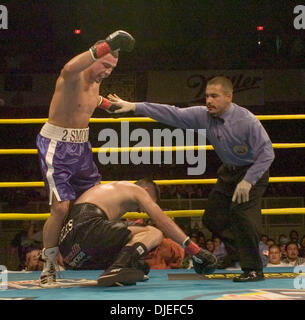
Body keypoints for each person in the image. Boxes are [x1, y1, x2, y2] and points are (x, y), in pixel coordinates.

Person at [108, 76, 275, 282]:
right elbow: (171, 113)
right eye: (206, 96)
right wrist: (134, 106)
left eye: (214, 96)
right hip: (229, 172)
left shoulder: (246, 121)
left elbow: (267, 153)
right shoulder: (204, 116)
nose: (208, 101)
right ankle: (236, 254)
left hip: (253, 172)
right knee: (212, 218)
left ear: (229, 97)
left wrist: (248, 180)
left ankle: (253, 269)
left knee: (242, 215)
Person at [36, 30, 136, 287]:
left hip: (81, 147)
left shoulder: (96, 81)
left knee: (94, 204)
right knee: (60, 208)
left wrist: (108, 105)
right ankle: (47, 265)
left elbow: (88, 99)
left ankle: (115, 262)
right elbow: (69, 68)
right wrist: (107, 45)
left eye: (112, 68)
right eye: (105, 64)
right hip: (56, 146)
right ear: (94, 57)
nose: (107, 71)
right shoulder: (74, 75)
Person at [58, 179, 217, 287]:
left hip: (71, 253)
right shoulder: (136, 190)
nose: (143, 211)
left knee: (140, 267)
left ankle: (119, 267)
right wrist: (194, 249)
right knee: (154, 232)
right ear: (146, 190)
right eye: (151, 203)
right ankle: (118, 267)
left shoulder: (112, 197)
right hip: (87, 229)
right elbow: (162, 220)